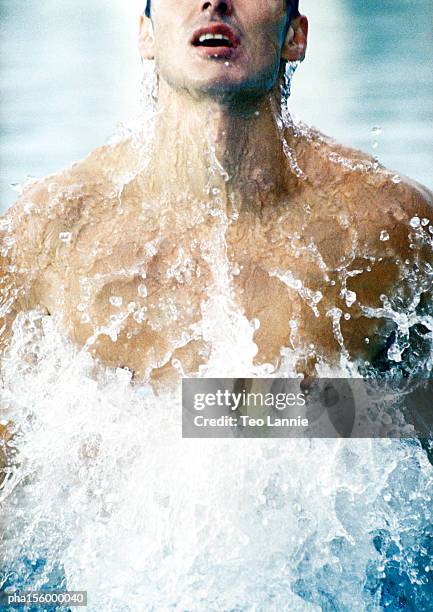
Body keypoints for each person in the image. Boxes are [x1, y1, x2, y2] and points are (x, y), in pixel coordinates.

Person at [0, 0, 432, 390]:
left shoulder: (391, 227)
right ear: (146, 34)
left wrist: (298, 416)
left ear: (295, 37)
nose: (216, 2)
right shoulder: (44, 236)